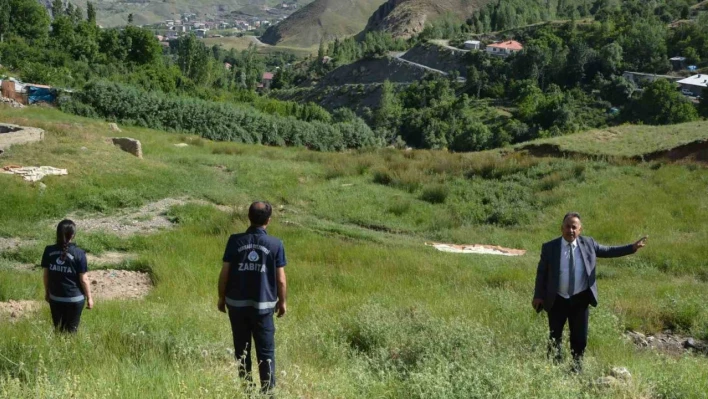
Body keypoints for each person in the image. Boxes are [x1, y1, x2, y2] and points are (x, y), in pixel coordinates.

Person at [532, 212, 646, 370]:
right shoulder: (550, 247)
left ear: (580, 230)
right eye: (567, 226)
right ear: (561, 228)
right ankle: (553, 367)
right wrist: (538, 295)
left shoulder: (589, 244)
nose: (570, 230)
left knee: (579, 337)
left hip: (580, 299)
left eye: (574, 227)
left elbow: (609, 251)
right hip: (557, 298)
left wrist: (631, 248)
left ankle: (576, 367)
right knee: (555, 335)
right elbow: (541, 273)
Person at [218, 201, 287, 394]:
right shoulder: (275, 244)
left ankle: (247, 391)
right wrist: (282, 302)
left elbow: (225, 272)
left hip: (237, 306)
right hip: (263, 308)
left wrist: (221, 297)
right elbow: (281, 280)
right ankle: (268, 393)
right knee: (266, 353)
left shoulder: (234, 241)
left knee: (242, 351)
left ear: (248, 217)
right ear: (268, 220)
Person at [42, 219, 94, 333]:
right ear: (73, 235)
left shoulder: (49, 250)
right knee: (71, 332)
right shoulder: (79, 253)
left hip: (55, 297)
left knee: (58, 330)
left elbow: (46, 275)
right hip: (75, 299)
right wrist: (89, 298)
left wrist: (47, 292)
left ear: (58, 233)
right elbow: (84, 279)